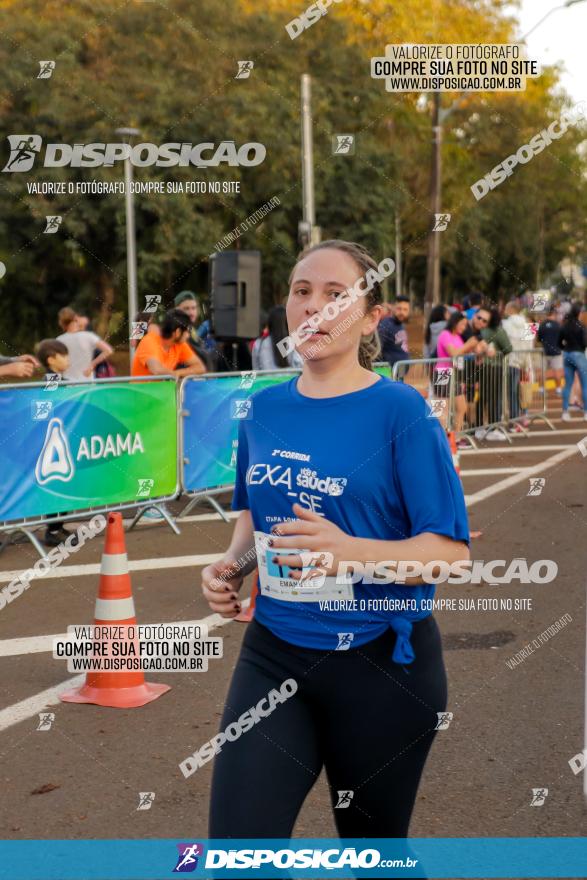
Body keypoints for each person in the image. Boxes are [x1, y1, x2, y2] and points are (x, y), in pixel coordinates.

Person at [201, 239, 469, 845]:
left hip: (382, 668)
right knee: (238, 851)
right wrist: (230, 565)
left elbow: (452, 555)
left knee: (372, 856)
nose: (313, 308)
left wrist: (350, 551)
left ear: (371, 316)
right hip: (273, 654)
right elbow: (253, 521)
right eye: (301, 292)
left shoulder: (402, 412)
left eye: (335, 295)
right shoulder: (264, 410)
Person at [35, 339, 78, 547]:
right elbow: (50, 405)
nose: (68, 359)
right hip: (52, 441)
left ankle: (59, 526)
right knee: (55, 482)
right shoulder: (50, 380)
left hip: (64, 437)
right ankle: (52, 530)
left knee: (66, 483)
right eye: (64, 355)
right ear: (51, 360)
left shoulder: (62, 378)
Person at [435, 311, 479, 435]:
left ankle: (456, 437)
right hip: (442, 373)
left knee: (461, 407)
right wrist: (468, 344)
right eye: (462, 324)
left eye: (465, 325)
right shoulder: (445, 334)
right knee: (442, 409)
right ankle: (438, 437)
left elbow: (461, 353)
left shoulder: (458, 337)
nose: (464, 328)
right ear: (455, 322)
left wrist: (472, 350)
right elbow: (453, 353)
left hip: (455, 374)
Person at [474, 306, 512, 440]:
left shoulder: (481, 331)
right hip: (494, 368)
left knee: (483, 398)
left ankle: (479, 428)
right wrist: (499, 353)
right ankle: (492, 428)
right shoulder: (498, 331)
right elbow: (508, 348)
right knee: (494, 399)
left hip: (482, 367)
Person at [131, 308, 206, 377]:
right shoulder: (149, 341)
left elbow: (200, 368)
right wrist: (175, 375)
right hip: (141, 391)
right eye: (187, 331)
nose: (188, 336)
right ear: (178, 332)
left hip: (163, 390)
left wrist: (177, 373)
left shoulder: (180, 344)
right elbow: (157, 370)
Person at [56, 308, 113, 381]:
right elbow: (108, 350)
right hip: (87, 383)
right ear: (75, 319)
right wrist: (92, 365)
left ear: (61, 323)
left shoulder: (59, 340)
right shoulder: (89, 336)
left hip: (68, 385)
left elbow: (55, 367)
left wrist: (51, 388)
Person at [502, 301, 534, 428]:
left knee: (512, 392)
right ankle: (523, 416)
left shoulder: (505, 324)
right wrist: (527, 366)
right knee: (522, 389)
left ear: (510, 310)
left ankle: (514, 420)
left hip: (509, 361)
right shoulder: (530, 325)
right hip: (524, 361)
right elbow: (530, 346)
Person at [558, 303, 587, 421]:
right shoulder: (582, 327)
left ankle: (565, 412)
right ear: (579, 313)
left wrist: (565, 348)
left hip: (567, 355)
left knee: (568, 385)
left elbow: (559, 342)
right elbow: (585, 343)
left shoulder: (564, 326)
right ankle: (586, 413)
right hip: (579, 354)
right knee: (585, 385)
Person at [251, 305, 303, 370]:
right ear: (287, 322)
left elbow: (256, 369)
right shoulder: (294, 339)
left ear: (270, 323)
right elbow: (300, 365)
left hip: (267, 380)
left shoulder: (259, 343)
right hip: (289, 379)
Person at [174, 291, 214, 371]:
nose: (191, 313)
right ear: (176, 310)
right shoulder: (176, 331)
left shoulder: (192, 330)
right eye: (186, 308)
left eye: (193, 308)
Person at [378, 295, 410, 372]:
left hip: (399, 373)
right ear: (393, 308)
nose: (402, 312)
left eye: (405, 310)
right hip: (388, 374)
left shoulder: (400, 324)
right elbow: (376, 350)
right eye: (399, 309)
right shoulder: (386, 325)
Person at [537, 307, 563, 396]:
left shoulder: (542, 325)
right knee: (557, 372)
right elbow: (562, 339)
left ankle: (541, 389)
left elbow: (539, 339)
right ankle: (558, 389)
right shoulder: (558, 325)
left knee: (542, 372)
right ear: (554, 314)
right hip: (556, 351)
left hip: (544, 351)